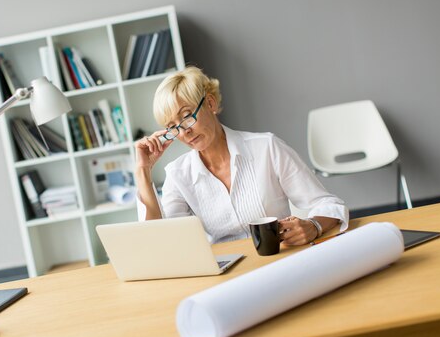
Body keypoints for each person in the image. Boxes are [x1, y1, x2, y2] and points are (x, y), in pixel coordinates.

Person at [134, 66, 348, 245]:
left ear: (210, 103)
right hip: (225, 275)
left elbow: (329, 204)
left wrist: (313, 226)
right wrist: (143, 171)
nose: (184, 132)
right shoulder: (178, 175)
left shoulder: (267, 148)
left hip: (279, 259)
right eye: (172, 127)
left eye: (187, 116)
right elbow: (163, 244)